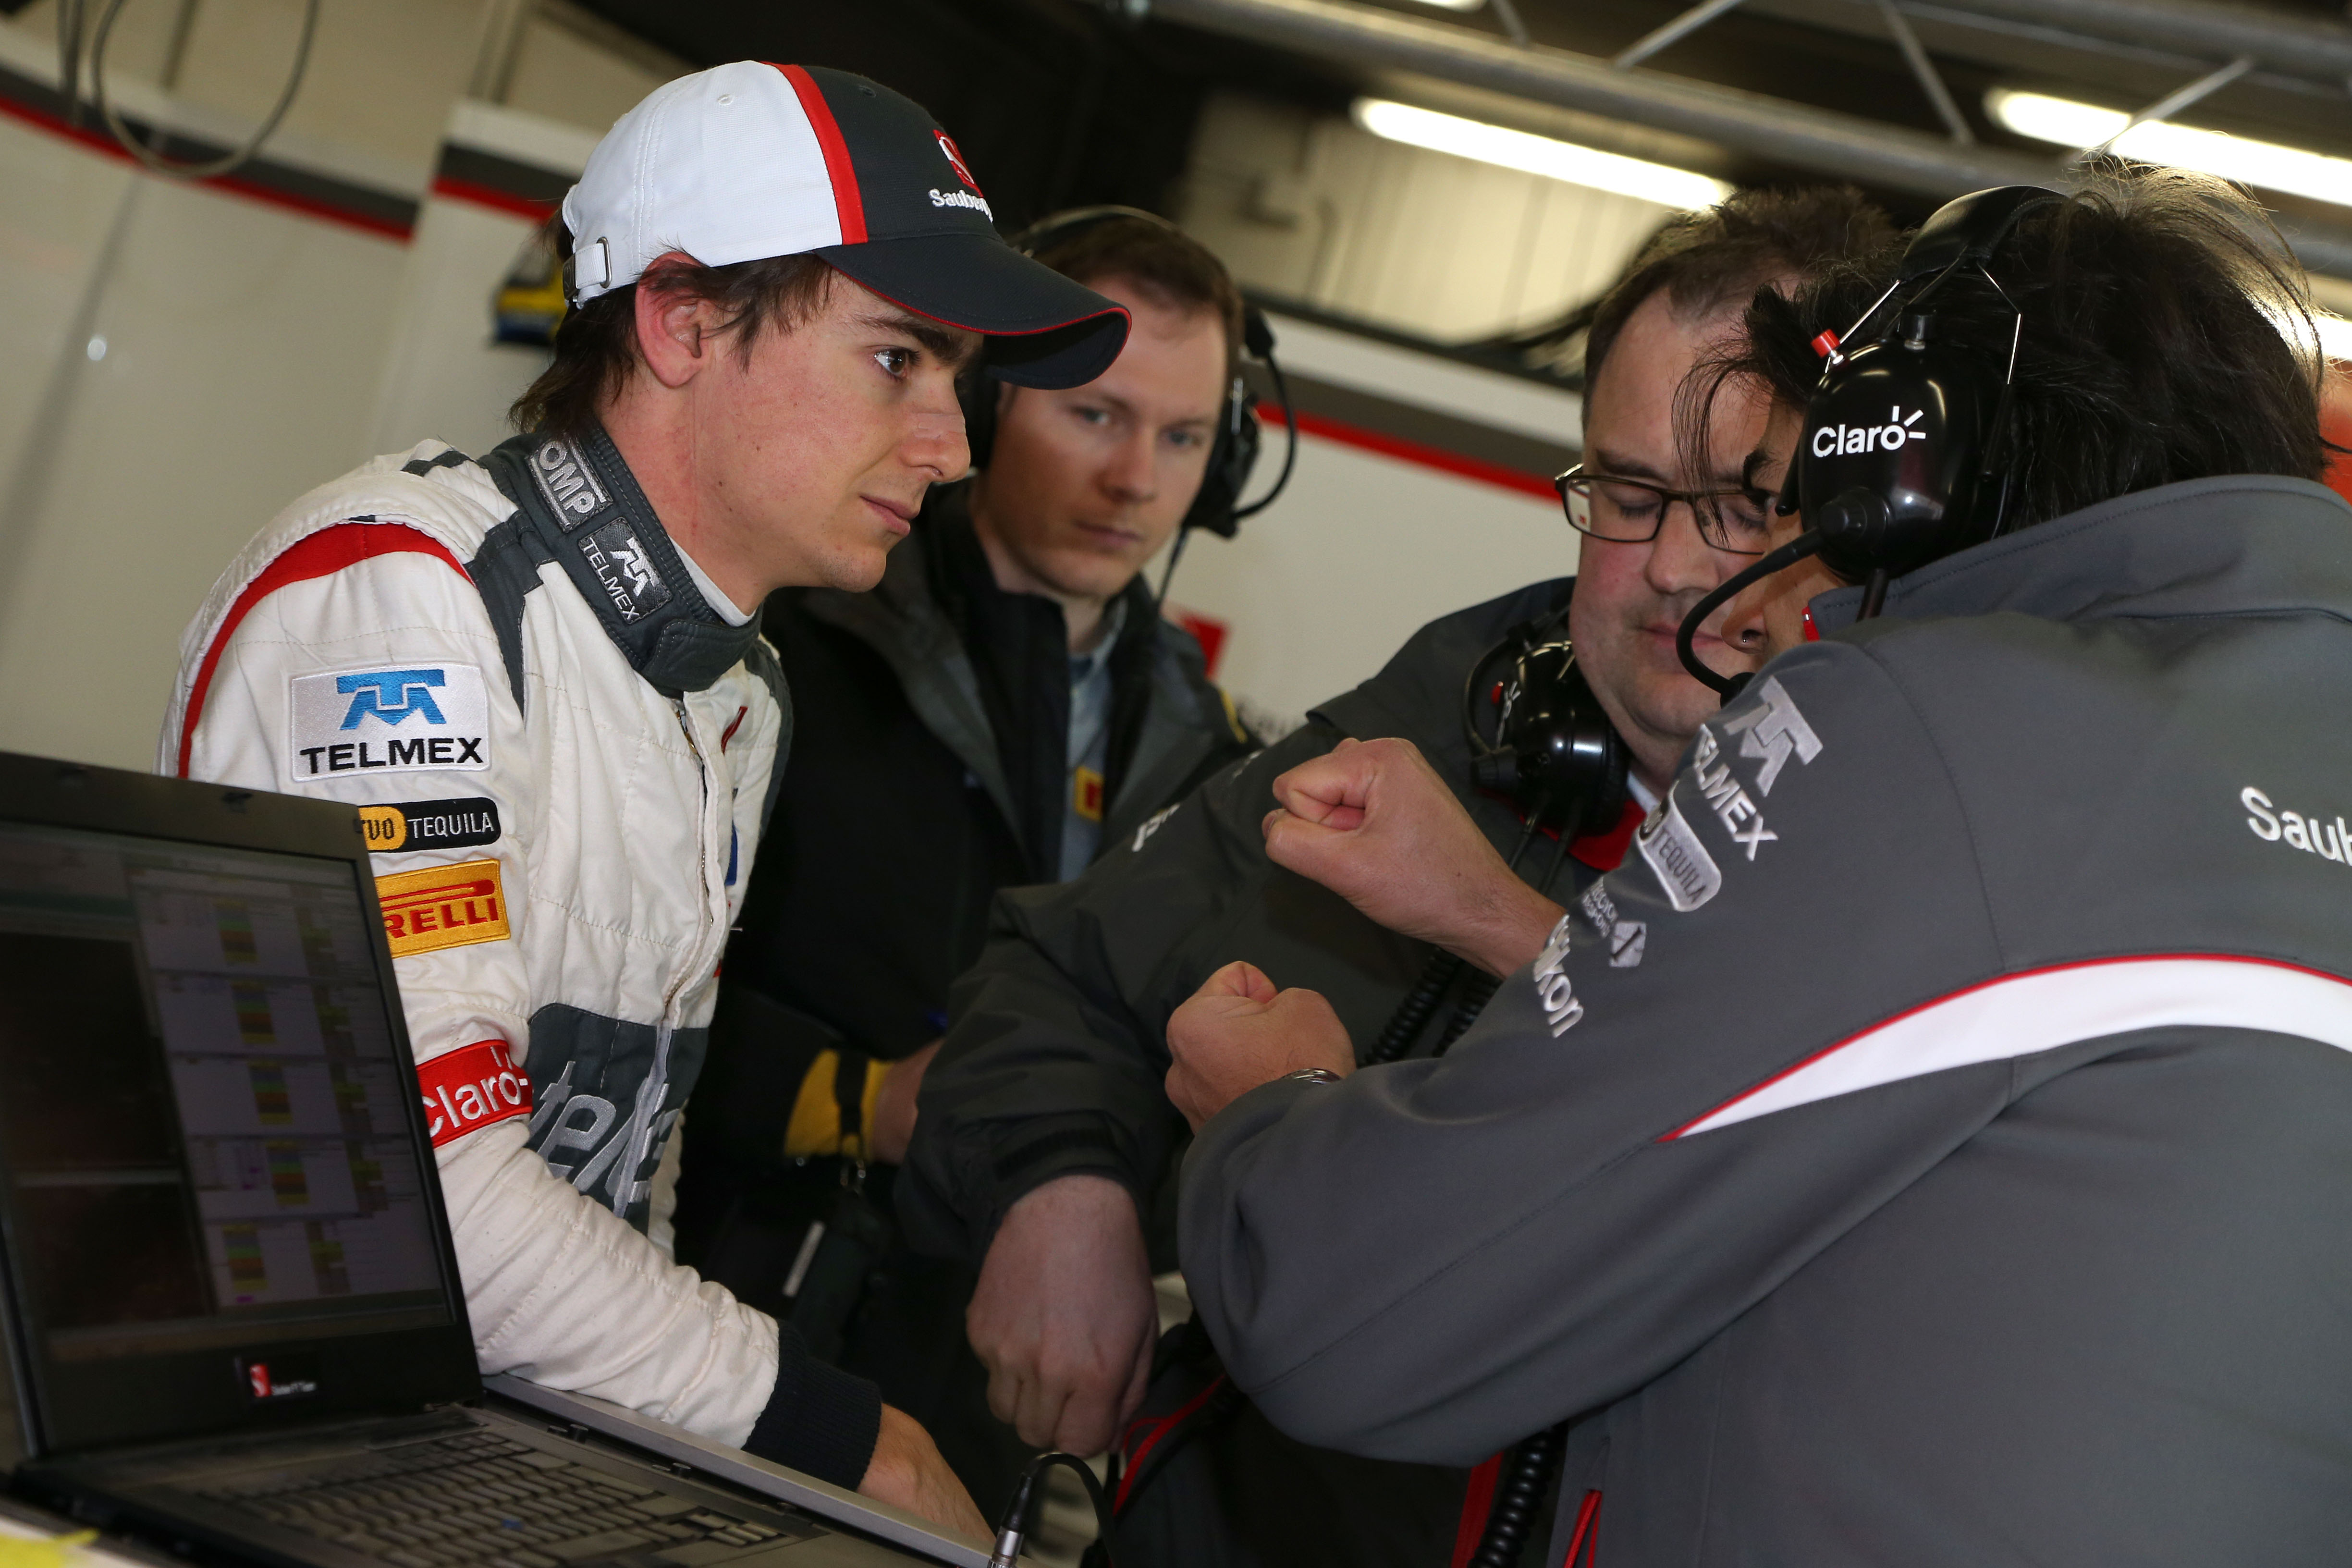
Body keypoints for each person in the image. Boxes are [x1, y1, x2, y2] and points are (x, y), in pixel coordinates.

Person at [1166, 163, 2352, 1565]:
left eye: (1789, 501)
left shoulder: (1928, 718)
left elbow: (1353, 1312)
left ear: (1894, 472)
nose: (1742, 582)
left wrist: (1277, 1114)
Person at [158, 61, 1132, 1542]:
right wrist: (833, 1434)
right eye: (896, 360)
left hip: (464, 1475)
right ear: (680, 321)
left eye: (957, 380)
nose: (949, 448)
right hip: (256, 1481)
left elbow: (619, 1186)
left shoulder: (734, 693)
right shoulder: (403, 603)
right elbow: (408, 1196)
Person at [894, 185, 1898, 1559]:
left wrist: (1492, 924)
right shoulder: (1474, 705)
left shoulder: (1938, 827)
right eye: (1626, 495)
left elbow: (1807, 1175)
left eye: (1742, 505)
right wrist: (1057, 1189)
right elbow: (1062, 976)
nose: (1671, 567)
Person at [670, 210, 1258, 1511]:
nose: (1137, 482)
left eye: (1182, 438)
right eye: (1095, 416)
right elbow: (615, 991)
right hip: (724, 1328)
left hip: (985, 1407)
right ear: (985, 401)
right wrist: (853, 1098)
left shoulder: (1217, 761)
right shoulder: (793, 645)